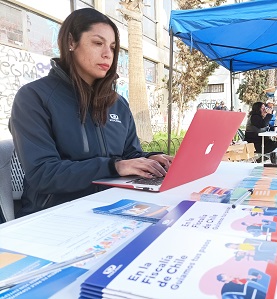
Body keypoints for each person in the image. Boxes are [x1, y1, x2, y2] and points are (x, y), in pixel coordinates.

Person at [8, 9, 173, 217]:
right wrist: (115, 167)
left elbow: (130, 155)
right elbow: (43, 173)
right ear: (71, 42)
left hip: (114, 206)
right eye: (98, 43)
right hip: (55, 214)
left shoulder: (117, 103)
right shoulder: (34, 97)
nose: (108, 54)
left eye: (113, 47)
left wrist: (153, 159)